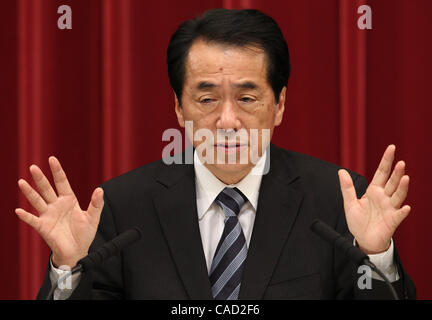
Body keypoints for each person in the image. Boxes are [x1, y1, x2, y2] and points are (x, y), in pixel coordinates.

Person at [16, 8, 415, 300]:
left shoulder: (337, 201)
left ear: (279, 106)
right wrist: (69, 269)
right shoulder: (121, 207)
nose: (227, 121)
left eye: (246, 97)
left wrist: (376, 258)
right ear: (178, 107)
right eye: (207, 98)